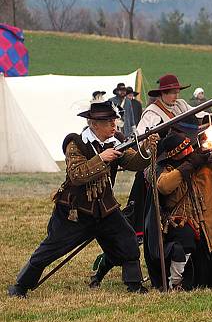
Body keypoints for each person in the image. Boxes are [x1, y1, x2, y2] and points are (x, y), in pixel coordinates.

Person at [8, 102, 157, 297]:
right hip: (76, 210)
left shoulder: (115, 141)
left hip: (105, 208)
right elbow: (77, 175)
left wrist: (146, 149)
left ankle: (134, 284)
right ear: (94, 124)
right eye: (108, 122)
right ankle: (20, 286)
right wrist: (101, 158)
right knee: (50, 249)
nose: (114, 125)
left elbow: (133, 163)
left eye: (114, 120)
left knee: (127, 240)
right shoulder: (76, 143)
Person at [149, 131, 212, 290]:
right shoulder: (163, 168)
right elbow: (163, 186)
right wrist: (189, 165)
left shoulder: (205, 161)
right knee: (187, 248)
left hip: (211, 226)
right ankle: (177, 282)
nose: (191, 150)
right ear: (175, 155)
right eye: (186, 149)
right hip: (183, 225)